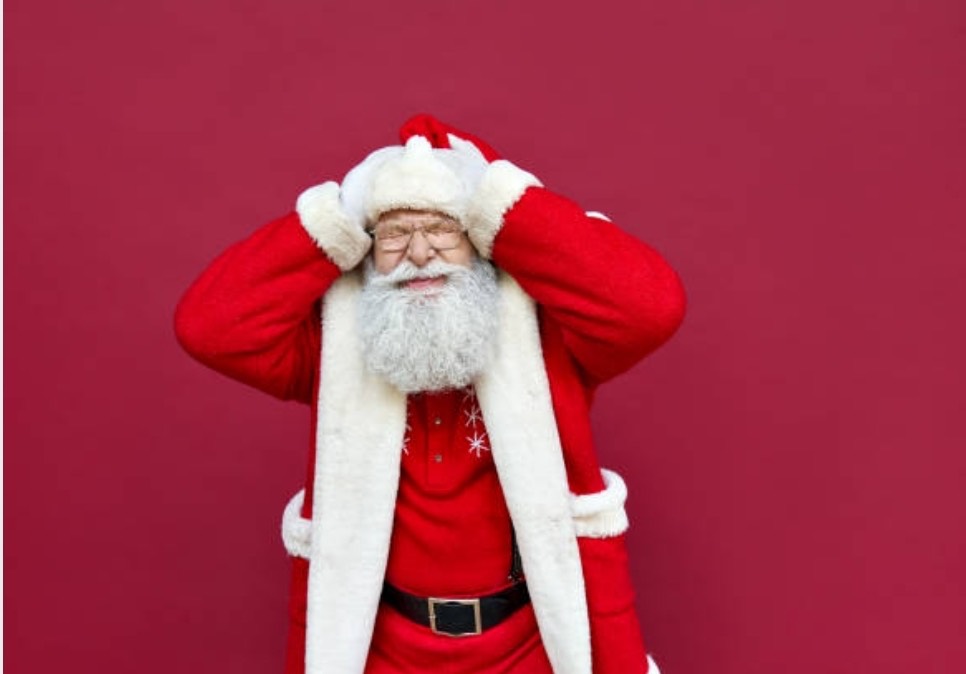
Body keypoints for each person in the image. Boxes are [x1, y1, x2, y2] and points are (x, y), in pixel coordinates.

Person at [175, 114, 686, 674]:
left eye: (444, 228)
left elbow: (650, 307)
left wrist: (497, 199)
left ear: (483, 240)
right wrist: (339, 215)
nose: (419, 252)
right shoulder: (339, 344)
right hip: (383, 647)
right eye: (394, 232)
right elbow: (209, 326)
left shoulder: (547, 335)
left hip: (531, 643)